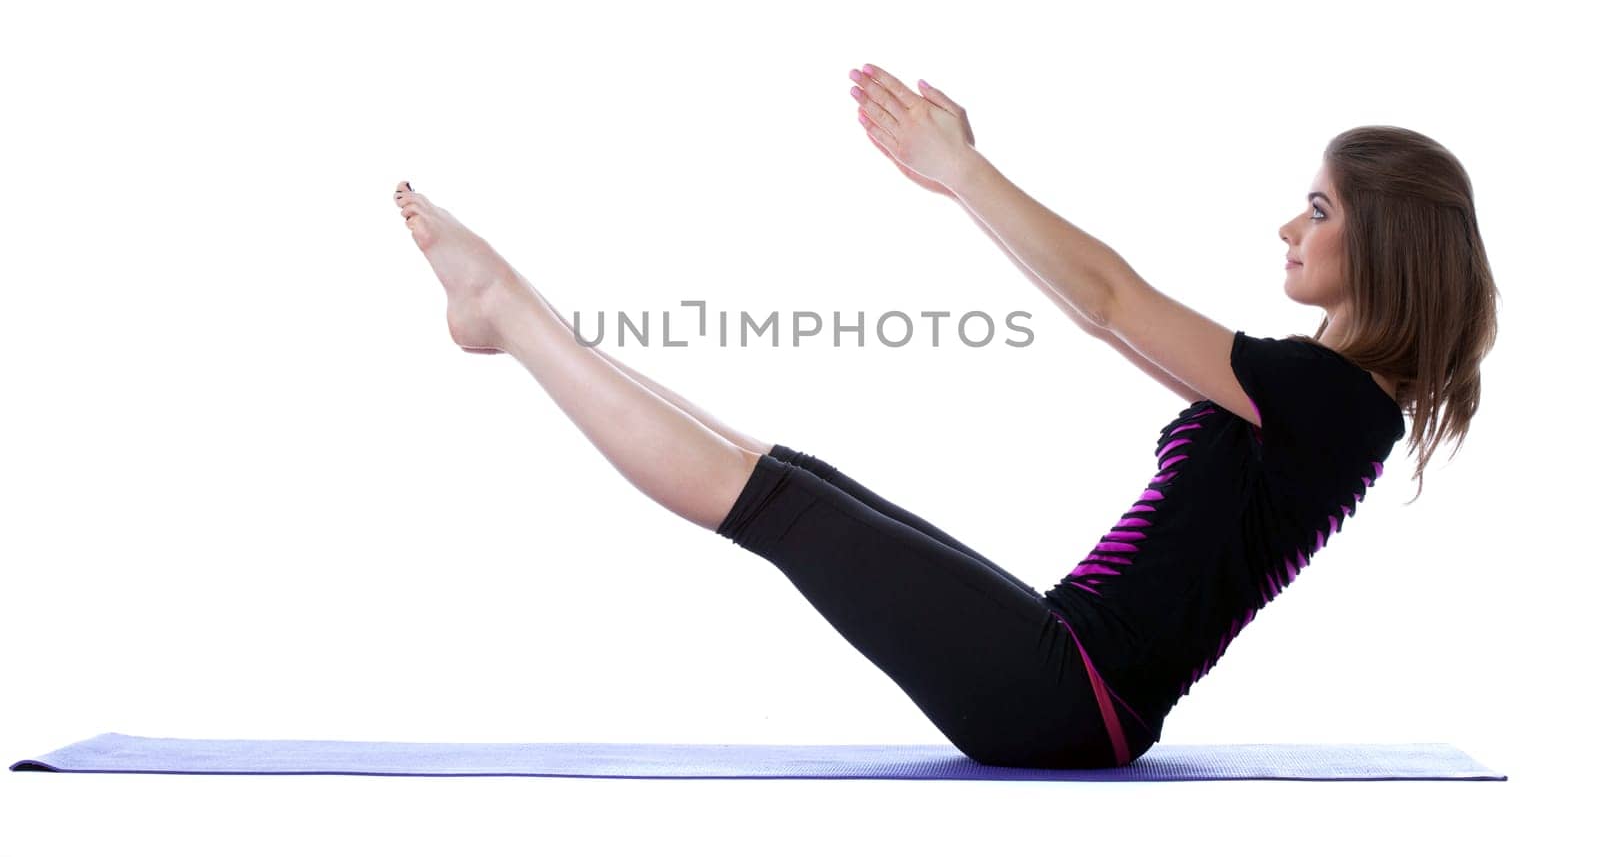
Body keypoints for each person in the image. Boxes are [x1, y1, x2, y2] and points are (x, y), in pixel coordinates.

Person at [390, 63, 1498, 768]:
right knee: (796, 476)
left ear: (1385, 242)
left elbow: (1114, 298)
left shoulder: (1330, 403)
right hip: (1064, 668)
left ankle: (503, 309)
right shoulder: (1318, 399)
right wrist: (957, 185)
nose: (1287, 228)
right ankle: (519, 320)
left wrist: (965, 170)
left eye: (1317, 208)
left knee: (777, 507)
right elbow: (1102, 318)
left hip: (1069, 694)